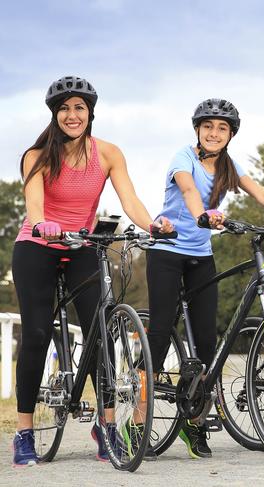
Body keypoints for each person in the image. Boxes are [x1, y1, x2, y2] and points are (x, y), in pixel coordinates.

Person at [144, 98, 264, 460]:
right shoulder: (184, 158)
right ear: (197, 129)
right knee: (160, 331)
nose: (214, 132)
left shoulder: (229, 165)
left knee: (207, 343)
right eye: (208, 126)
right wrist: (203, 215)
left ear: (231, 134)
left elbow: (263, 194)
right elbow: (190, 190)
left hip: (200, 257)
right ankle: (136, 420)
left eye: (222, 128)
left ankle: (194, 423)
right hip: (167, 251)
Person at [11, 76, 173, 467]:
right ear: (55, 114)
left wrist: (152, 224)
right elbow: (34, 204)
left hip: (82, 245)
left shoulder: (109, 153)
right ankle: (24, 431)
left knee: (101, 332)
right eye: (64, 108)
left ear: (90, 113)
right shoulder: (36, 155)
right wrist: (42, 223)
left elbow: (129, 198)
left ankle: (107, 426)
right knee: (35, 332)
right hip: (38, 244)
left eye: (79, 108)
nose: (72, 115)